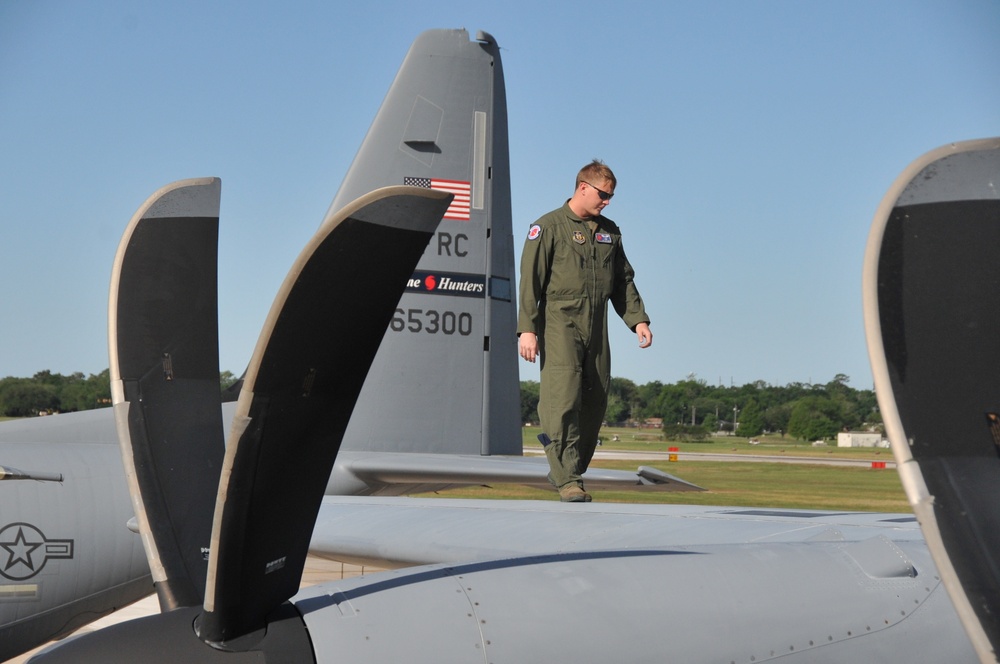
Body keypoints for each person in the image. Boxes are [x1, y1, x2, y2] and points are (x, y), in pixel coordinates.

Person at [518, 160, 652, 502]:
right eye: (602, 194)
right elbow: (530, 283)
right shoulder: (547, 227)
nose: (606, 201)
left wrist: (638, 320)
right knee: (563, 397)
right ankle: (566, 478)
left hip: (597, 325)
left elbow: (623, 281)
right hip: (559, 323)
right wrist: (527, 330)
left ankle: (571, 469)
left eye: (610, 196)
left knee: (596, 399)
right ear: (582, 187)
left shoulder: (610, 232)